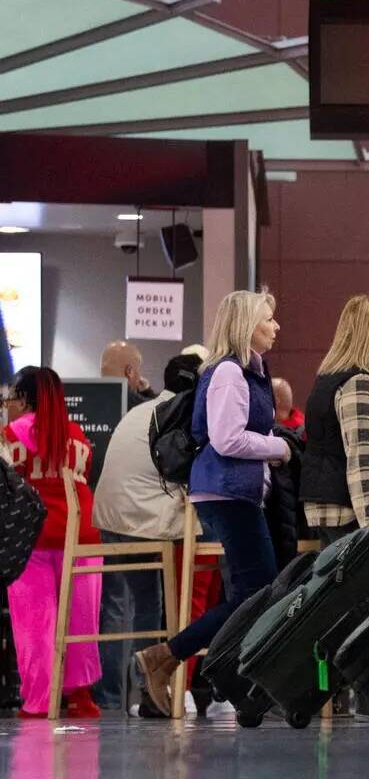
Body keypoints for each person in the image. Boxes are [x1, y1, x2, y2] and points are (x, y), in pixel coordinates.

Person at [134, 289, 288, 717]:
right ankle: (172, 656)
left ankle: (177, 662)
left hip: (231, 491)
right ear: (246, 326)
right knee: (259, 593)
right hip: (226, 491)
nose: (276, 328)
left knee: (250, 592)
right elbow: (226, 438)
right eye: (268, 320)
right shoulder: (229, 374)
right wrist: (278, 448)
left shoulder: (244, 372)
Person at [91, 353, 206, 716]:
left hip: (108, 520)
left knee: (122, 605)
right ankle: (154, 685)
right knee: (154, 601)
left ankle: (113, 698)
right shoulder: (181, 414)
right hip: (140, 522)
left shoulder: (142, 409)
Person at [1, 366, 102, 718]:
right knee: (80, 620)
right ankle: (80, 697)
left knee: (35, 622)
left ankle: (40, 700)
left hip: (32, 538)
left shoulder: (12, 434)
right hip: (82, 536)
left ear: (26, 398)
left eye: (12, 396)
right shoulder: (77, 435)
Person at [301, 295, 369, 545]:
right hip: (354, 516)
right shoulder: (361, 384)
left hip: (337, 511)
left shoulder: (331, 379)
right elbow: (362, 462)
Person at [101, 340, 156, 410]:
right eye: (138, 369)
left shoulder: (88, 397)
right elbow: (162, 412)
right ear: (130, 371)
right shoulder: (139, 406)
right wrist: (148, 392)